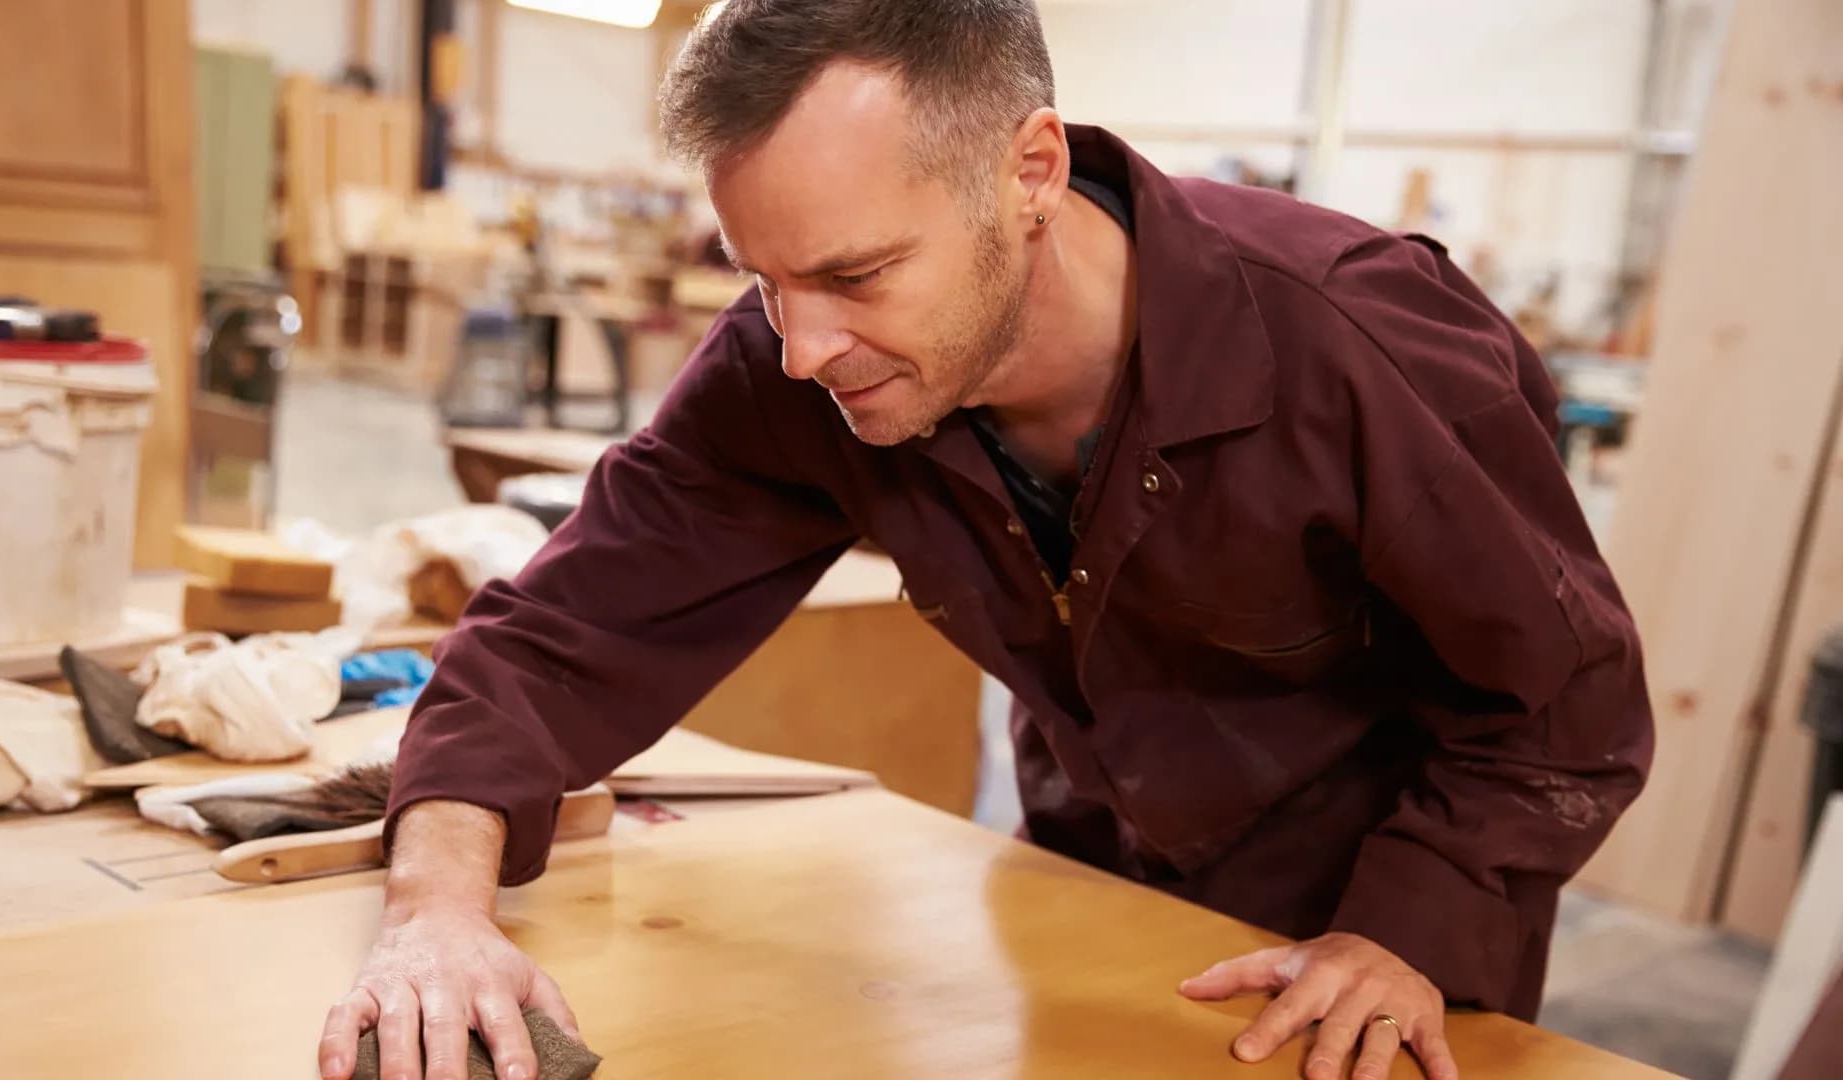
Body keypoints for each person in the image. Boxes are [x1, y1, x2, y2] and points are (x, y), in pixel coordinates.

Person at [318, 3, 1654, 1079]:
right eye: (764, 282)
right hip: (1094, 902)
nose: (801, 348)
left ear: (1029, 171)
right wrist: (436, 907)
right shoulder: (797, 367)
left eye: (853, 276)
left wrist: (1402, 928)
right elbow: (566, 632)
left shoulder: (1359, 345)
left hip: (1383, 956)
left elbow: (1566, 707)